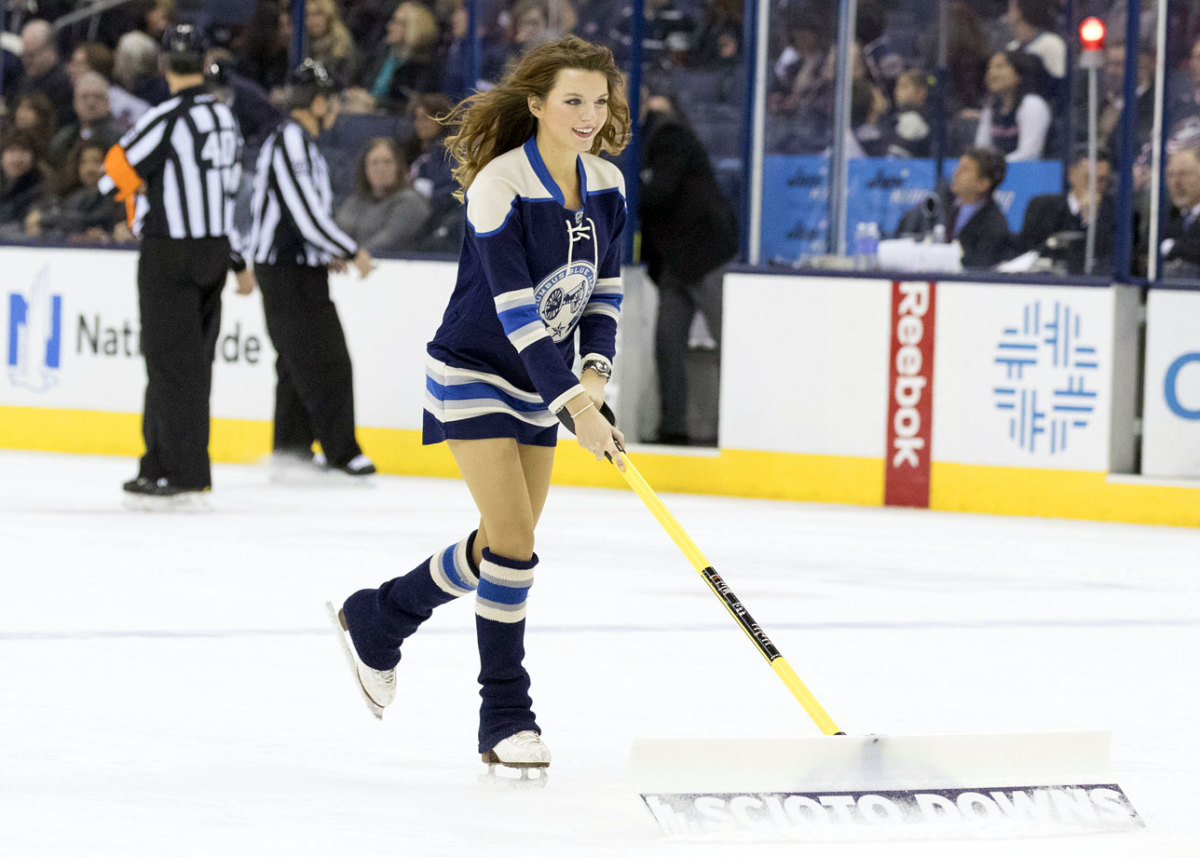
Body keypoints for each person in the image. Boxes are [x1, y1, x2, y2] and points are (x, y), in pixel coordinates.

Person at [329, 35, 630, 778]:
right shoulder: (501, 184)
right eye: (572, 100)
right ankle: (505, 714)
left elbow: (605, 290)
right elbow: (518, 312)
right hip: (473, 369)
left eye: (598, 101)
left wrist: (594, 376)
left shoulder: (608, 184)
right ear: (537, 104)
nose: (589, 115)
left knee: (504, 542)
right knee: (515, 542)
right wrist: (575, 406)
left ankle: (382, 614)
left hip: (543, 384)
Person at [100, 24, 255, 509]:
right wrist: (237, 259)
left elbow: (113, 172)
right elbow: (226, 194)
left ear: (165, 64)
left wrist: (138, 198)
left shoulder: (165, 116)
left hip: (171, 251)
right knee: (191, 365)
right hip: (214, 252)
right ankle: (158, 463)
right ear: (203, 62)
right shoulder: (224, 116)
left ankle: (184, 471)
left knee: (169, 366)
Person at [246, 60, 378, 478]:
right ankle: (343, 452)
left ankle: (291, 451)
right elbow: (305, 217)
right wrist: (350, 250)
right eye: (333, 100)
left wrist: (324, 253)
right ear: (318, 102)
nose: (336, 108)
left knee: (296, 363)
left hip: (296, 268)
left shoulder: (298, 142)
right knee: (329, 361)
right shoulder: (290, 142)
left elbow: (304, 218)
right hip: (286, 272)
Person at [640, 95, 736, 446]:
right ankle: (673, 427)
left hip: (707, 256)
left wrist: (615, 197)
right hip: (676, 262)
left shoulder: (668, 136)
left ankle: (737, 430)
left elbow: (659, 192)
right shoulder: (652, 142)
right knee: (667, 344)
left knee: (728, 345)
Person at [896, 145, 1013, 269]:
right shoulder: (942, 204)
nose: (956, 173)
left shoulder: (994, 224)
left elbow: (977, 265)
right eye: (958, 167)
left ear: (983, 184)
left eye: (965, 170)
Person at [1016, 145, 1115, 274]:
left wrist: (1090, 220)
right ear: (1072, 174)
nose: (1095, 186)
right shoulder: (1042, 206)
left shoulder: (1113, 213)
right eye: (1089, 178)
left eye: (1101, 180)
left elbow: (1105, 259)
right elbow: (1026, 251)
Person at [334, 137, 430, 253]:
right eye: (374, 163)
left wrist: (354, 256)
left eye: (387, 162)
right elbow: (338, 233)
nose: (381, 169)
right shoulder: (355, 201)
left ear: (398, 166)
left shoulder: (412, 202)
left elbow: (390, 240)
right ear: (364, 169)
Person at [972, 50, 1051, 161]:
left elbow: (1029, 153)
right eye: (989, 68)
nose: (991, 73)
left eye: (1000, 67)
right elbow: (981, 150)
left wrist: (994, 167)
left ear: (1018, 74)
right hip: (1000, 169)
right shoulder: (991, 107)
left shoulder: (1032, 104)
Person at [46, 72, 119, 169]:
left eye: (98, 97)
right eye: (84, 97)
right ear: (75, 102)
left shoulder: (118, 140)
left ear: (108, 103)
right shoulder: (63, 139)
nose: (91, 103)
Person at [1161, 146, 1200, 275]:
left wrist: (1172, 247)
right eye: (1170, 175)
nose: (1175, 182)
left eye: (1183, 174)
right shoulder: (1164, 216)